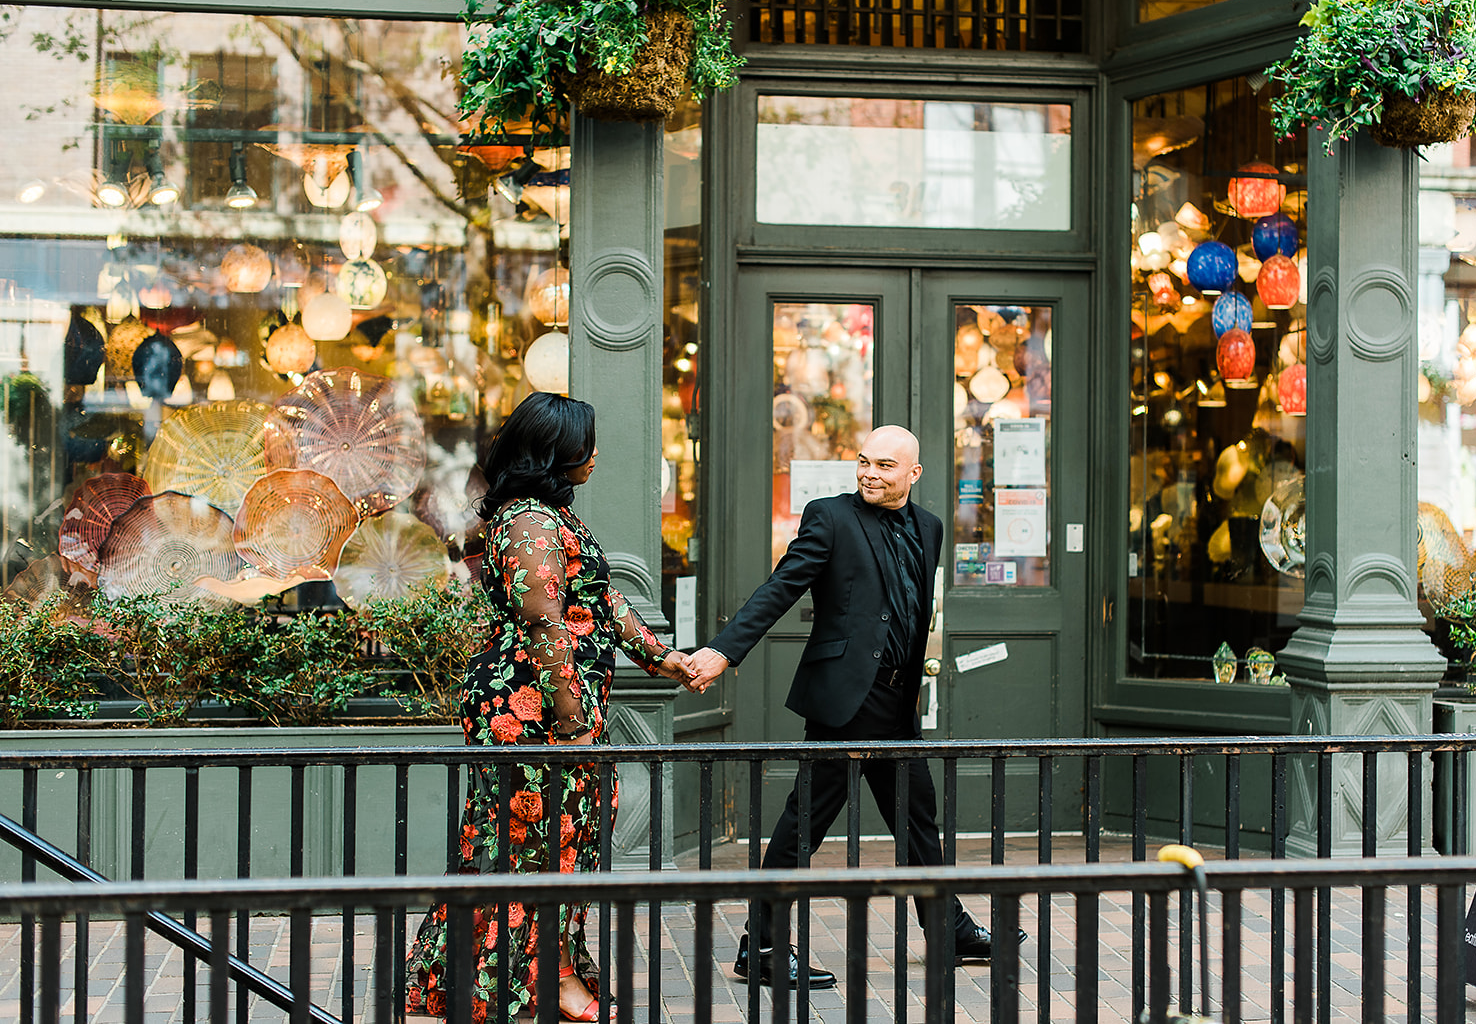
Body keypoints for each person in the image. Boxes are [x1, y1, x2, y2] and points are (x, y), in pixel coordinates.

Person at [686, 424, 1020, 989]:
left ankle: (950, 928)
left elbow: (911, 611)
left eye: (885, 466)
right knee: (807, 821)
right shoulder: (831, 516)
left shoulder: (931, 529)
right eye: (864, 461)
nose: (869, 472)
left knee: (917, 815)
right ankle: (763, 946)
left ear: (913, 474)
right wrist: (723, 650)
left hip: (896, 702)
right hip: (845, 698)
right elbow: (781, 587)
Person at [403, 392, 696, 1021]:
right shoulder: (530, 521)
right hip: (531, 707)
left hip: (553, 701)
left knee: (554, 841)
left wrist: (663, 660)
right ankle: (544, 979)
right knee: (540, 841)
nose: (594, 456)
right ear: (557, 453)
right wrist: (573, 723)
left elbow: (603, 601)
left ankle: (524, 973)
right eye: (585, 444)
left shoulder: (547, 516)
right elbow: (545, 624)